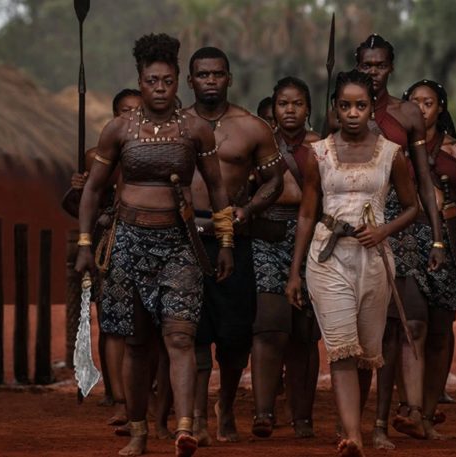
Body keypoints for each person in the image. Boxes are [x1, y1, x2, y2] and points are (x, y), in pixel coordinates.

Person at [75, 33, 234, 457]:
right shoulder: (119, 129)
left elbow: (217, 187)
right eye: (152, 81)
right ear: (140, 82)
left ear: (178, 81)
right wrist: (86, 243)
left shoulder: (195, 130)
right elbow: (93, 190)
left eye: (167, 81)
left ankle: (184, 428)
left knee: (180, 338)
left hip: (179, 244)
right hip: (128, 243)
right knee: (137, 343)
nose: (160, 89)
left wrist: (226, 242)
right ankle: (139, 432)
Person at [287, 69, 418, 457]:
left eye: (360, 105)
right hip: (328, 256)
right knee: (342, 349)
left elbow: (412, 207)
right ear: (335, 108)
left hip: (374, 260)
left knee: (365, 355)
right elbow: (307, 213)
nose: (353, 113)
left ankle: (351, 424)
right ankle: (353, 438)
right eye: (345, 106)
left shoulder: (392, 154)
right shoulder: (319, 153)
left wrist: (383, 231)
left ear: (371, 108)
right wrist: (294, 271)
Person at [186, 46, 284, 445]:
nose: (210, 80)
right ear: (190, 80)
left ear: (229, 78)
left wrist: (250, 209)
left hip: (234, 240)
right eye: (203, 74)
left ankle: (224, 406)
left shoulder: (252, 127)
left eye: (217, 74)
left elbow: (275, 180)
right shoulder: (177, 126)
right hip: (187, 239)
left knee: (234, 337)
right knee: (192, 331)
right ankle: (197, 418)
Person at [353, 34, 446, 449]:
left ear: (391, 67)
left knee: (405, 322)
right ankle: (357, 422)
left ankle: (395, 416)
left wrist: (437, 239)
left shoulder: (407, 113)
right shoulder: (343, 109)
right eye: (366, 65)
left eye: (380, 65)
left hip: (404, 224)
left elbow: (423, 179)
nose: (373, 72)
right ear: (357, 65)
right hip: (357, 224)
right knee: (366, 331)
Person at [400, 79, 456, 440]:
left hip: (449, 244)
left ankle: (427, 412)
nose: (421, 108)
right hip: (406, 240)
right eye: (415, 102)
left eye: (429, 102)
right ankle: (409, 406)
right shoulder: (393, 147)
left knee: (439, 332)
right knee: (412, 325)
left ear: (441, 108)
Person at [63, 88, 142, 425]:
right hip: (107, 242)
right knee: (111, 319)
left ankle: (143, 390)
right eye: (124, 110)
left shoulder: (156, 151)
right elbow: (82, 205)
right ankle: (115, 392)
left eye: (136, 110)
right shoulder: (98, 156)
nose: (131, 116)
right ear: (114, 115)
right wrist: (80, 187)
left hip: (147, 236)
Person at [250, 76, 321, 439]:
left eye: (297, 103)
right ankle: (264, 411)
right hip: (268, 235)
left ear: (308, 108)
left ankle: (302, 417)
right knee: (270, 325)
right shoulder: (260, 145)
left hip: (313, 239)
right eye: (283, 104)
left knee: (305, 332)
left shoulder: (322, 147)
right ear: (273, 109)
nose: (290, 110)